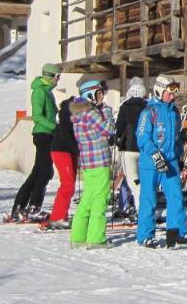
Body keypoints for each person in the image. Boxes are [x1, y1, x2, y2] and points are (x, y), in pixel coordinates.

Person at [136, 74, 187, 248]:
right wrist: (155, 154)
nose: (172, 96)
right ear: (159, 91)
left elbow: (176, 137)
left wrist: (180, 153)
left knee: (176, 197)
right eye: (169, 93)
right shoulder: (148, 112)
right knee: (149, 199)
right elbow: (142, 137)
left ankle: (176, 232)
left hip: (171, 161)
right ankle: (145, 235)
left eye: (174, 93)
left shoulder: (174, 112)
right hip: (151, 163)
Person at [7, 62, 60, 222]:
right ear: (50, 76)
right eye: (58, 77)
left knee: (39, 173)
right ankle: (33, 207)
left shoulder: (48, 91)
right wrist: (54, 127)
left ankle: (19, 207)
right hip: (43, 134)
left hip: (48, 134)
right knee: (44, 173)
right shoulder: (39, 92)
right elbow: (37, 116)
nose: (58, 80)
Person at [70, 95, 114, 248]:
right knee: (100, 199)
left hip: (87, 163)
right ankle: (96, 238)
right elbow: (109, 130)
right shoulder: (90, 114)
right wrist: (107, 113)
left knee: (87, 199)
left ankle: (78, 236)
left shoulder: (76, 118)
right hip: (99, 161)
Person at [114, 76, 147, 219]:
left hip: (128, 148)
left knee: (132, 181)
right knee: (143, 179)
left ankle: (140, 210)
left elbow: (118, 127)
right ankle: (142, 208)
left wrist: (116, 140)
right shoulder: (149, 106)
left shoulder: (125, 107)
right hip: (145, 148)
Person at [46, 97, 78, 230]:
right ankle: (57, 217)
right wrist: (77, 149)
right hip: (62, 150)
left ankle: (60, 214)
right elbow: (66, 135)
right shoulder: (66, 114)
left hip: (68, 151)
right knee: (67, 184)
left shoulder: (70, 114)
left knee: (69, 184)